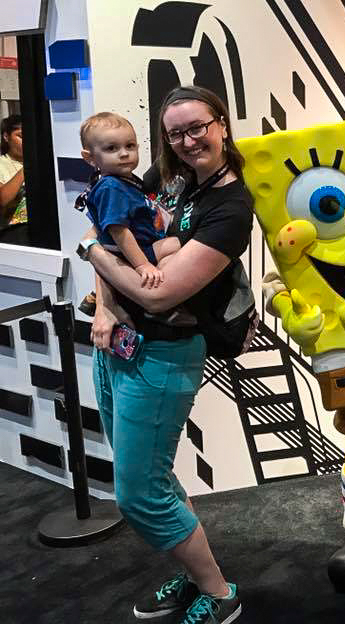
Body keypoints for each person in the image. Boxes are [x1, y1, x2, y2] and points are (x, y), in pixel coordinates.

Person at [78, 86, 251, 624]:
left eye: (197, 126)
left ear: (220, 123)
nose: (188, 140)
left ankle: (220, 593)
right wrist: (106, 307)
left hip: (166, 354)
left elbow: (157, 292)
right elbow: (104, 231)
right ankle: (195, 570)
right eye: (176, 132)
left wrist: (88, 252)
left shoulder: (231, 205)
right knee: (157, 477)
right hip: (119, 347)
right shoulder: (161, 180)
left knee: (137, 494)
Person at [75, 112, 182, 315]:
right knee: (180, 243)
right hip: (134, 250)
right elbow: (119, 231)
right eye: (111, 148)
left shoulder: (126, 180)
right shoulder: (111, 187)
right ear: (89, 157)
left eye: (130, 146)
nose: (124, 153)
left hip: (141, 244)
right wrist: (142, 265)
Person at [0, 114, 28, 245]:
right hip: (13, 230)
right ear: (6, 137)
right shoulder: (2, 164)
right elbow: (3, 199)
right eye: (21, 136)